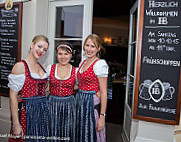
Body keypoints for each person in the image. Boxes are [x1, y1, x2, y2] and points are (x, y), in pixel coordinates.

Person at [8, 35, 49, 141]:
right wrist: (16, 124)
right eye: (39, 46)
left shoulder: (41, 67)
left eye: (45, 49)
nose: (41, 51)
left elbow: (44, 89)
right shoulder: (20, 66)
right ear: (32, 45)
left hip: (42, 112)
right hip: (27, 112)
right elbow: (13, 96)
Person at [76, 34, 108, 142]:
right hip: (80, 106)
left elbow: (103, 93)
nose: (89, 49)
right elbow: (79, 84)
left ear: (98, 48)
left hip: (91, 107)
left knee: (91, 135)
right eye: (87, 45)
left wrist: (102, 117)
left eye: (93, 46)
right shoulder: (83, 62)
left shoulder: (100, 64)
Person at [46, 42, 76, 142]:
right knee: (52, 129)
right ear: (56, 54)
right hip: (52, 103)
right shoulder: (50, 68)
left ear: (71, 55)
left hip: (69, 103)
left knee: (67, 130)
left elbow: (80, 86)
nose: (63, 57)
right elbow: (44, 86)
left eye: (66, 54)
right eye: (60, 54)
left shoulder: (75, 71)